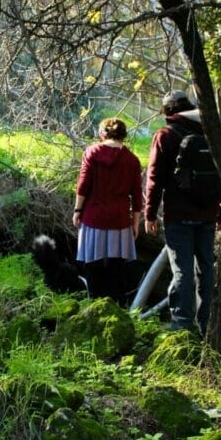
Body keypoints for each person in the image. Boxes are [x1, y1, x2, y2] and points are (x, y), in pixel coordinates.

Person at [144, 90, 221, 334]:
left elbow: (154, 178)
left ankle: (181, 324)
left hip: (178, 214)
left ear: (168, 111)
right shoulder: (211, 132)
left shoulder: (165, 135)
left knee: (182, 271)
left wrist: (149, 214)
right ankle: (208, 323)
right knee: (206, 269)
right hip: (208, 213)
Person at [73, 117, 143, 304]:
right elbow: (137, 196)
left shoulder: (92, 152)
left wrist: (77, 210)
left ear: (103, 133)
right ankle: (116, 309)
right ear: (123, 136)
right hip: (120, 222)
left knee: (93, 267)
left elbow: (83, 185)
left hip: (93, 218)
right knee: (117, 270)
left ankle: (94, 307)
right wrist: (135, 224)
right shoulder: (132, 160)